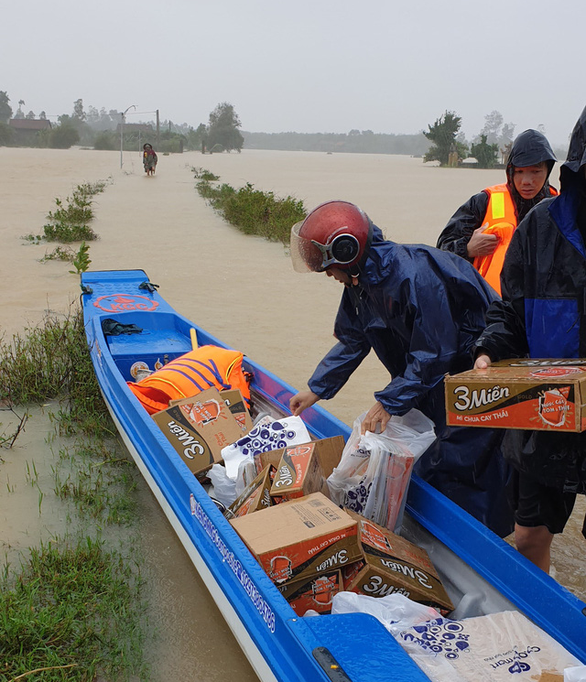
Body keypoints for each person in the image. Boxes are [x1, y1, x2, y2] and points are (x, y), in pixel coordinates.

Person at [288, 200, 514, 537]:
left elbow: (435, 350)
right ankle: (438, 533)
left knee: (466, 462)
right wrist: (316, 389)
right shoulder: (360, 282)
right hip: (431, 379)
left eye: (329, 269)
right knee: (430, 454)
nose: (329, 277)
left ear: (348, 252)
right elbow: (354, 339)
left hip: (473, 374)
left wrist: (389, 401)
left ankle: (480, 544)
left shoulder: (414, 276)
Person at [473, 107, 586, 573]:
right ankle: (540, 619)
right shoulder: (539, 228)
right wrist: (488, 350)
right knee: (529, 535)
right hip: (548, 409)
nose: (526, 178)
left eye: (533, 171)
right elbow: (509, 310)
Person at [436, 129, 557, 294]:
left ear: (548, 170)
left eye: (535, 171)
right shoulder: (483, 202)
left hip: (542, 309)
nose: (526, 181)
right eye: (519, 171)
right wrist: (467, 249)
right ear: (510, 171)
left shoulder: (562, 207)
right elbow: (441, 251)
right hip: (490, 308)